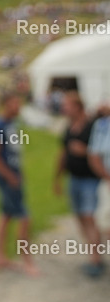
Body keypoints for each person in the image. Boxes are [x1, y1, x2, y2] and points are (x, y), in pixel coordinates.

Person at [0, 91, 38, 274]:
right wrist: (10, 176)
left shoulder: (12, 124)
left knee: (6, 215)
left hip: (14, 173)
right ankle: (28, 262)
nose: (18, 107)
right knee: (24, 218)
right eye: (15, 103)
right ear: (6, 104)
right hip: (7, 177)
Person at [53, 91, 104, 277]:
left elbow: (102, 151)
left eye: (67, 105)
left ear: (77, 106)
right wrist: (57, 177)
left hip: (90, 180)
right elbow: (63, 153)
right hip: (73, 179)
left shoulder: (93, 126)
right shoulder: (69, 127)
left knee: (89, 217)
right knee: (81, 218)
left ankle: (96, 259)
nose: (64, 109)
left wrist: (85, 151)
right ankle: (93, 255)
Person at [88, 104, 110, 248]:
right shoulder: (103, 125)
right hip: (107, 180)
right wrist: (107, 178)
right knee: (106, 222)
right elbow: (94, 154)